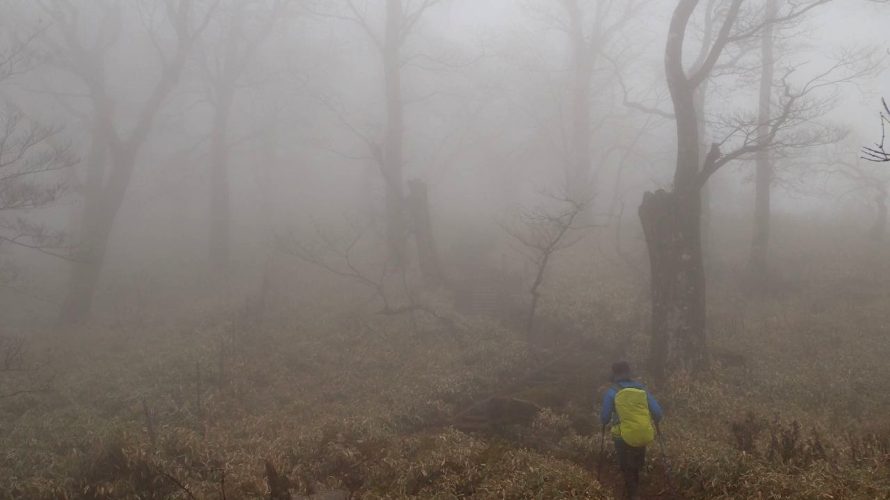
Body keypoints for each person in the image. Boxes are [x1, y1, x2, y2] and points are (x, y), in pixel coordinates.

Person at [600, 361, 663, 500]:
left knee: (625, 466)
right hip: (642, 434)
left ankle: (632, 493)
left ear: (614, 373)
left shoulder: (612, 391)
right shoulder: (642, 389)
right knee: (636, 465)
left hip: (621, 437)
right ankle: (634, 489)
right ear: (629, 372)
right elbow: (658, 413)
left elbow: (604, 418)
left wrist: (606, 420)